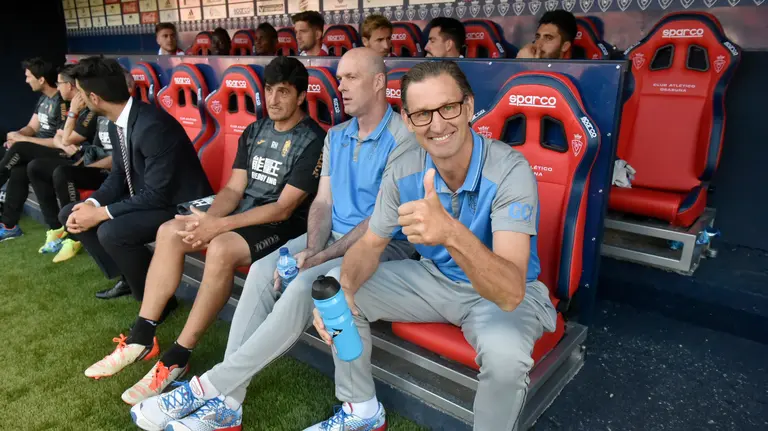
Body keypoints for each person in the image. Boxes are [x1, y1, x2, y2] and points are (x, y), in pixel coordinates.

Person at [128, 48, 417, 431]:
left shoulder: (404, 139)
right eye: (341, 78)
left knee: (306, 286)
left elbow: (378, 222)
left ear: (379, 82)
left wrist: (319, 258)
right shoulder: (338, 134)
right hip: (331, 237)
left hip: (383, 245)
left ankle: (211, 386)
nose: (341, 86)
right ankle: (230, 403)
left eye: (352, 78)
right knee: (265, 270)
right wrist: (314, 248)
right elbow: (323, 201)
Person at [307, 61, 558, 431]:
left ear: (469, 107)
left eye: (448, 108)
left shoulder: (509, 169)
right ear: (407, 121)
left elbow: (509, 292)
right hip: (434, 279)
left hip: (502, 294)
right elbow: (371, 244)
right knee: (338, 284)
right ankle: (361, 410)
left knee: (506, 358)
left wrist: (451, 233)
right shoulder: (404, 166)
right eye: (422, 114)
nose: (437, 124)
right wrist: (344, 290)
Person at [87, 56, 327, 405]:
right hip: (242, 214)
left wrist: (218, 228)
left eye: (284, 92)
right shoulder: (255, 130)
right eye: (269, 91)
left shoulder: (313, 139)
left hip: (282, 226)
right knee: (172, 230)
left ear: (302, 96)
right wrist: (207, 221)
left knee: (221, 248)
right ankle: (142, 336)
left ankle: (178, 357)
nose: (273, 100)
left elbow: (283, 207)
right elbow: (232, 189)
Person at [58, 56, 212, 300]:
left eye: (82, 93)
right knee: (72, 212)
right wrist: (92, 204)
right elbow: (119, 174)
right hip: (151, 198)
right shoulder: (115, 122)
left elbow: (158, 195)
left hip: (182, 205)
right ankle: (130, 278)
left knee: (112, 231)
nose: (81, 99)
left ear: (95, 98)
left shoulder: (153, 125)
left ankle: (155, 299)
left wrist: (101, 213)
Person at [27, 69, 132, 262]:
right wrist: (74, 111)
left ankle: (73, 238)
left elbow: (119, 158)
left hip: (115, 174)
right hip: (97, 166)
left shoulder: (128, 117)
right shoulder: (98, 113)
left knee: (64, 173)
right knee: (35, 166)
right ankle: (56, 229)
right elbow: (69, 140)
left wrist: (73, 111)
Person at [0, 58, 69, 241]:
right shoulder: (43, 99)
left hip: (57, 151)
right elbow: (32, 127)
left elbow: (59, 141)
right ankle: (9, 225)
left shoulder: (63, 101)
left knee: (21, 148)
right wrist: (17, 134)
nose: (26, 80)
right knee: (19, 169)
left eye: (28, 76)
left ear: (41, 79)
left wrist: (23, 140)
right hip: (35, 148)